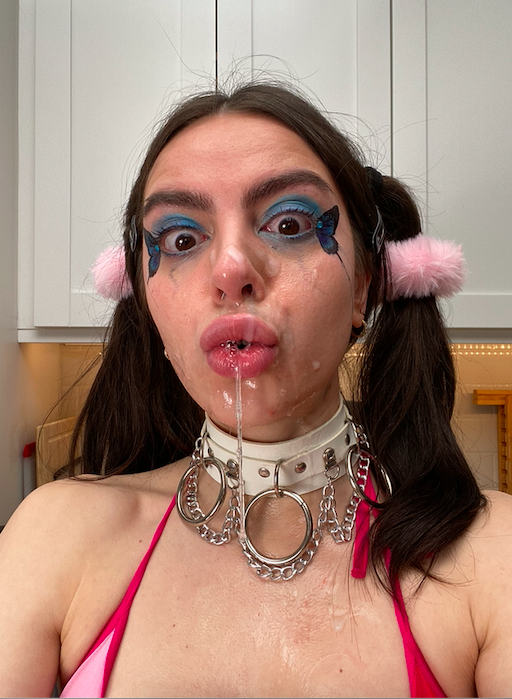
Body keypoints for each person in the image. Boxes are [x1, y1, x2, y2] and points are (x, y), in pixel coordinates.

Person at [0, 82, 511, 698]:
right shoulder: (53, 539)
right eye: (181, 239)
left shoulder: (490, 559)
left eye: (289, 223)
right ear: (147, 302)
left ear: (365, 284)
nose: (230, 270)